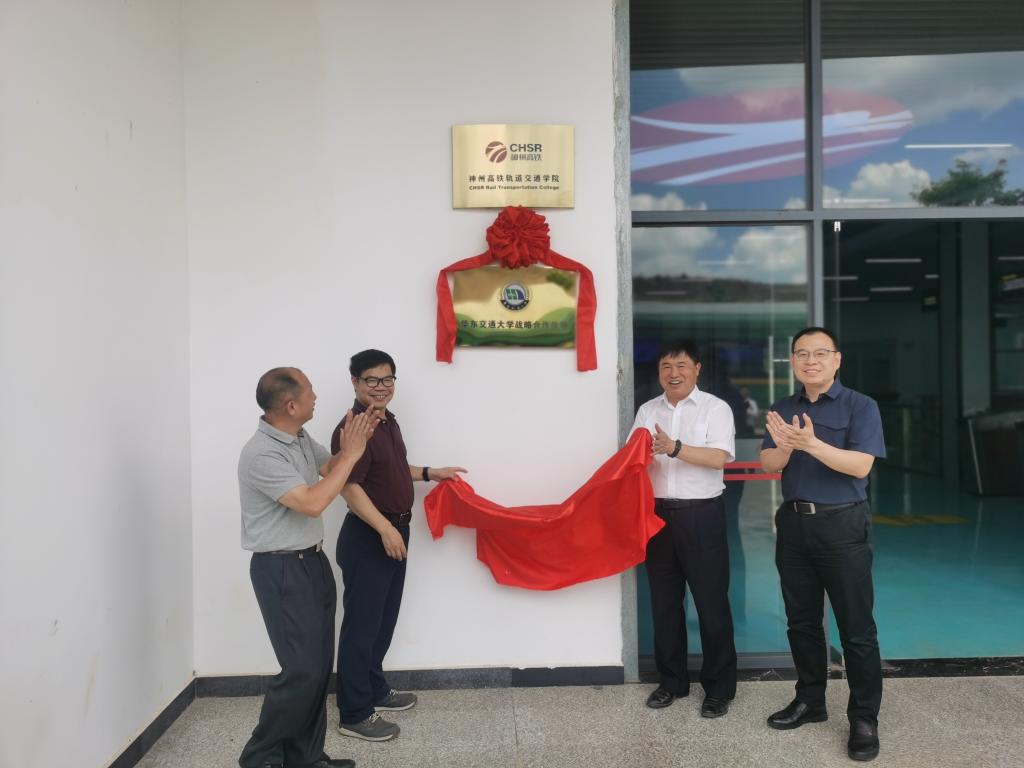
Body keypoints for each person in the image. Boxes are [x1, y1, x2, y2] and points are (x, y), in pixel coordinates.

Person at [238, 367, 377, 768]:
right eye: (310, 391)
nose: (316, 396)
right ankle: (258, 758)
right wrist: (351, 456)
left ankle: (306, 758)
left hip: (312, 561)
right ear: (290, 405)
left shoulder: (297, 437)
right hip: (281, 569)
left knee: (317, 671)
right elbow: (313, 503)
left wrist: (354, 446)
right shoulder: (262, 453)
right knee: (300, 672)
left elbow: (330, 469)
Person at [760, 327, 886, 762]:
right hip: (794, 526)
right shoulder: (783, 408)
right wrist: (784, 447)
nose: (810, 361)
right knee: (802, 622)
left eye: (819, 353)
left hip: (842, 525)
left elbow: (860, 465)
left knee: (856, 628)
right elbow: (768, 462)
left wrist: (812, 444)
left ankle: (864, 717)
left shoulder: (861, 406)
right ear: (793, 361)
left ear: (837, 359)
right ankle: (810, 701)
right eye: (802, 354)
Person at [332, 349, 467, 741]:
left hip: (394, 532)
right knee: (362, 626)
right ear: (355, 382)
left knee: (382, 621)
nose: (381, 387)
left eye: (388, 379)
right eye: (372, 380)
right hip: (369, 536)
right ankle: (354, 713)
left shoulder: (386, 420)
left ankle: (374, 688)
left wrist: (429, 472)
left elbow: (389, 469)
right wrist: (384, 529)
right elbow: (347, 484)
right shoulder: (354, 427)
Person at [633, 340, 738, 718]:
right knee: (664, 604)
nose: (673, 373)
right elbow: (632, 458)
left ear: (697, 369)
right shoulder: (647, 410)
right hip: (658, 517)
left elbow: (718, 457)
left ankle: (719, 689)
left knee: (711, 604)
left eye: (681, 366)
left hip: (701, 516)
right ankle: (672, 682)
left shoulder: (716, 408)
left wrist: (675, 447)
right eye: (666, 366)